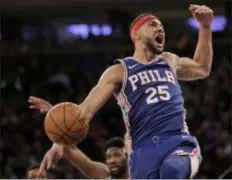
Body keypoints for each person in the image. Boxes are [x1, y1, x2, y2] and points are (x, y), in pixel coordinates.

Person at [29, 4, 213, 179]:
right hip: (143, 151)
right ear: (136, 34)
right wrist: (59, 142)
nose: (161, 29)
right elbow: (83, 113)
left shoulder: (169, 60)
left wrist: (205, 27)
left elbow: (202, 68)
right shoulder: (119, 71)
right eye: (153, 24)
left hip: (177, 141)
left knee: (171, 170)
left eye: (162, 27)